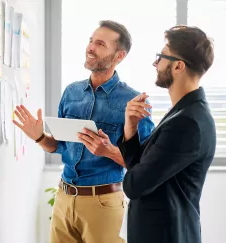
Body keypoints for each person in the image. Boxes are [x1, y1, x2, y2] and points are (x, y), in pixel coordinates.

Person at [13, 20, 154, 243]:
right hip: (64, 196)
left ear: (119, 56)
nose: (90, 47)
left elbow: (145, 166)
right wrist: (39, 136)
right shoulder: (71, 92)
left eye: (100, 44)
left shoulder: (133, 101)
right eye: (90, 41)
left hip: (103, 202)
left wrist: (108, 151)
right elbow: (59, 147)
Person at [117, 25, 215, 243]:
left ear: (178, 66)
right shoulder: (184, 111)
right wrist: (130, 129)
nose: (155, 63)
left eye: (160, 57)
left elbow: (134, 185)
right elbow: (139, 167)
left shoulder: (186, 123)